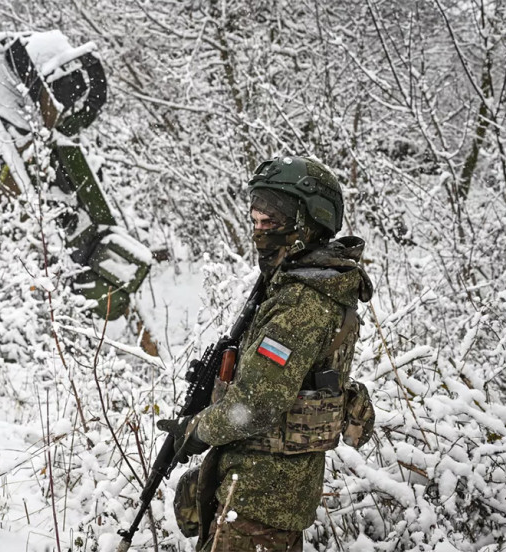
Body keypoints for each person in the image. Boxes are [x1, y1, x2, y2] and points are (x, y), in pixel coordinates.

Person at [160, 156, 375, 551]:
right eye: (256, 221)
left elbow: (256, 406)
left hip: (260, 500)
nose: (260, 233)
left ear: (311, 222)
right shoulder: (297, 285)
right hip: (261, 494)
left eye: (272, 222)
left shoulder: (301, 303)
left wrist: (197, 430)